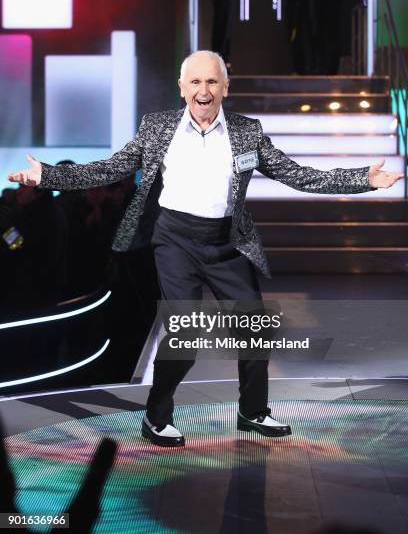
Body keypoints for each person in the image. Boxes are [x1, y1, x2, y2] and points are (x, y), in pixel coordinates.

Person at [8, 50, 403, 448]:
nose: (203, 89)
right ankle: (157, 416)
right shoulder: (157, 128)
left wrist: (362, 179)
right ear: (182, 89)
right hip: (175, 240)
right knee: (187, 333)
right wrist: (47, 176)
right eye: (195, 82)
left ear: (225, 88)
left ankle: (253, 411)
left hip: (227, 242)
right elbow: (110, 168)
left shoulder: (247, 132)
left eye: (212, 81)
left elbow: (297, 175)